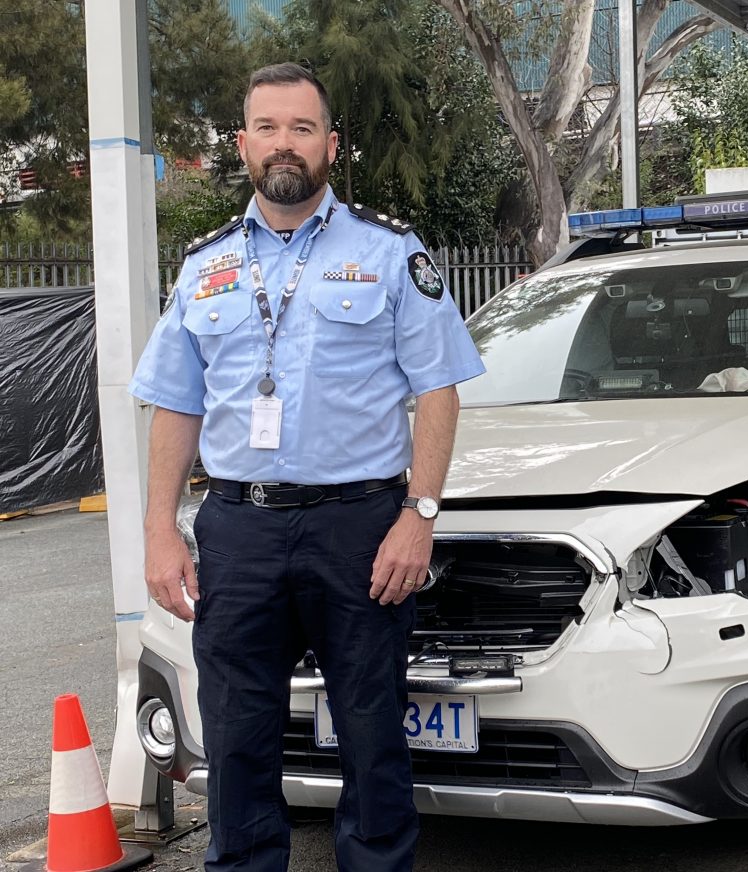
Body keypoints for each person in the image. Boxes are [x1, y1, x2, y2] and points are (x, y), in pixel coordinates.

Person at [129, 62, 484, 872]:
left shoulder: (391, 252)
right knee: (237, 742)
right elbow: (176, 406)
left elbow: (438, 390)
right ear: (241, 143)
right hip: (238, 530)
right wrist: (160, 529)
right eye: (265, 127)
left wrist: (418, 516)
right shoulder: (204, 267)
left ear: (330, 143)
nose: (282, 143)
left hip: (358, 528)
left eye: (300, 127)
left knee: (371, 735)